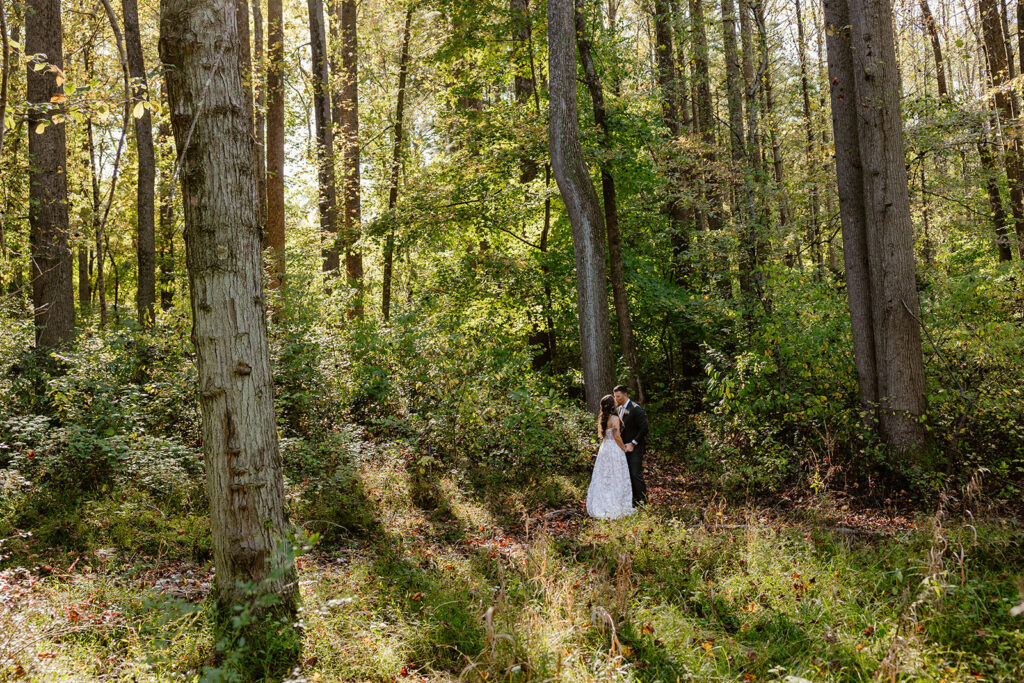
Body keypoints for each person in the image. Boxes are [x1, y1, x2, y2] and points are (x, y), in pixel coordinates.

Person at [585, 394, 635, 519]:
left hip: (605, 448)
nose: (616, 401)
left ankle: (601, 501)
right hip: (614, 448)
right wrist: (624, 448)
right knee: (616, 475)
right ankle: (615, 503)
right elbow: (617, 436)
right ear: (612, 405)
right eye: (614, 400)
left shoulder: (603, 418)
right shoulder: (614, 418)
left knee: (604, 475)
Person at [613, 385, 648, 506]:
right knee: (627, 474)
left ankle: (643, 502)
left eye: (619, 396)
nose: (616, 399)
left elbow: (644, 428)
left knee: (635, 473)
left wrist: (633, 443)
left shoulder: (635, 408)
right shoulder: (618, 409)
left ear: (625, 395)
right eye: (615, 396)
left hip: (635, 448)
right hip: (623, 449)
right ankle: (633, 500)